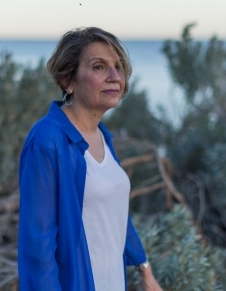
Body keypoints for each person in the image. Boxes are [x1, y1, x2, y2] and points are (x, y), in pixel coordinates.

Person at [18, 27, 163, 291]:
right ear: (67, 80)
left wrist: (144, 269)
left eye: (118, 67)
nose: (115, 77)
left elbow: (115, 210)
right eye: (99, 67)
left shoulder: (102, 136)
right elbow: (37, 250)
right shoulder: (48, 140)